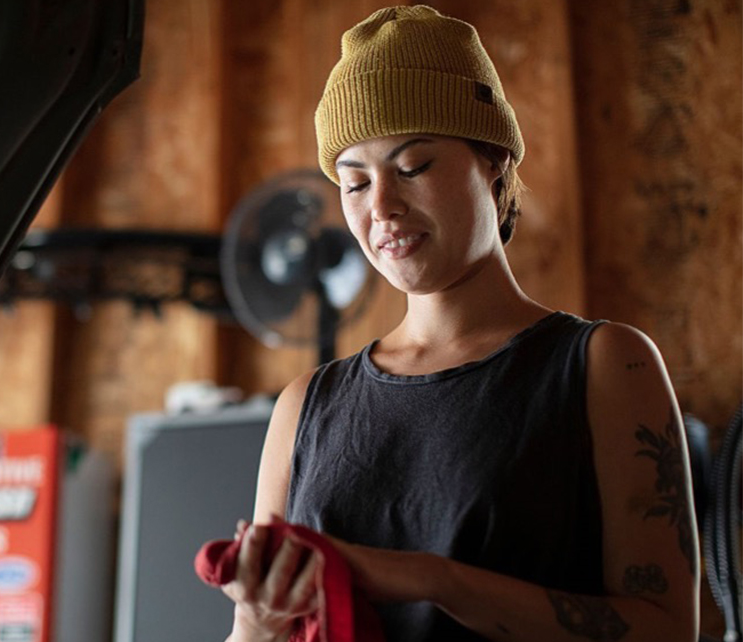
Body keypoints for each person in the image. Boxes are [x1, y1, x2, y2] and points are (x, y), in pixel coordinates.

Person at [220, 6, 699, 642]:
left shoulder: (604, 365)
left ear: (493, 157)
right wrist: (255, 622)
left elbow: (667, 629)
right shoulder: (304, 407)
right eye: (354, 183)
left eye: (413, 167)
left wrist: (432, 580)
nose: (383, 208)